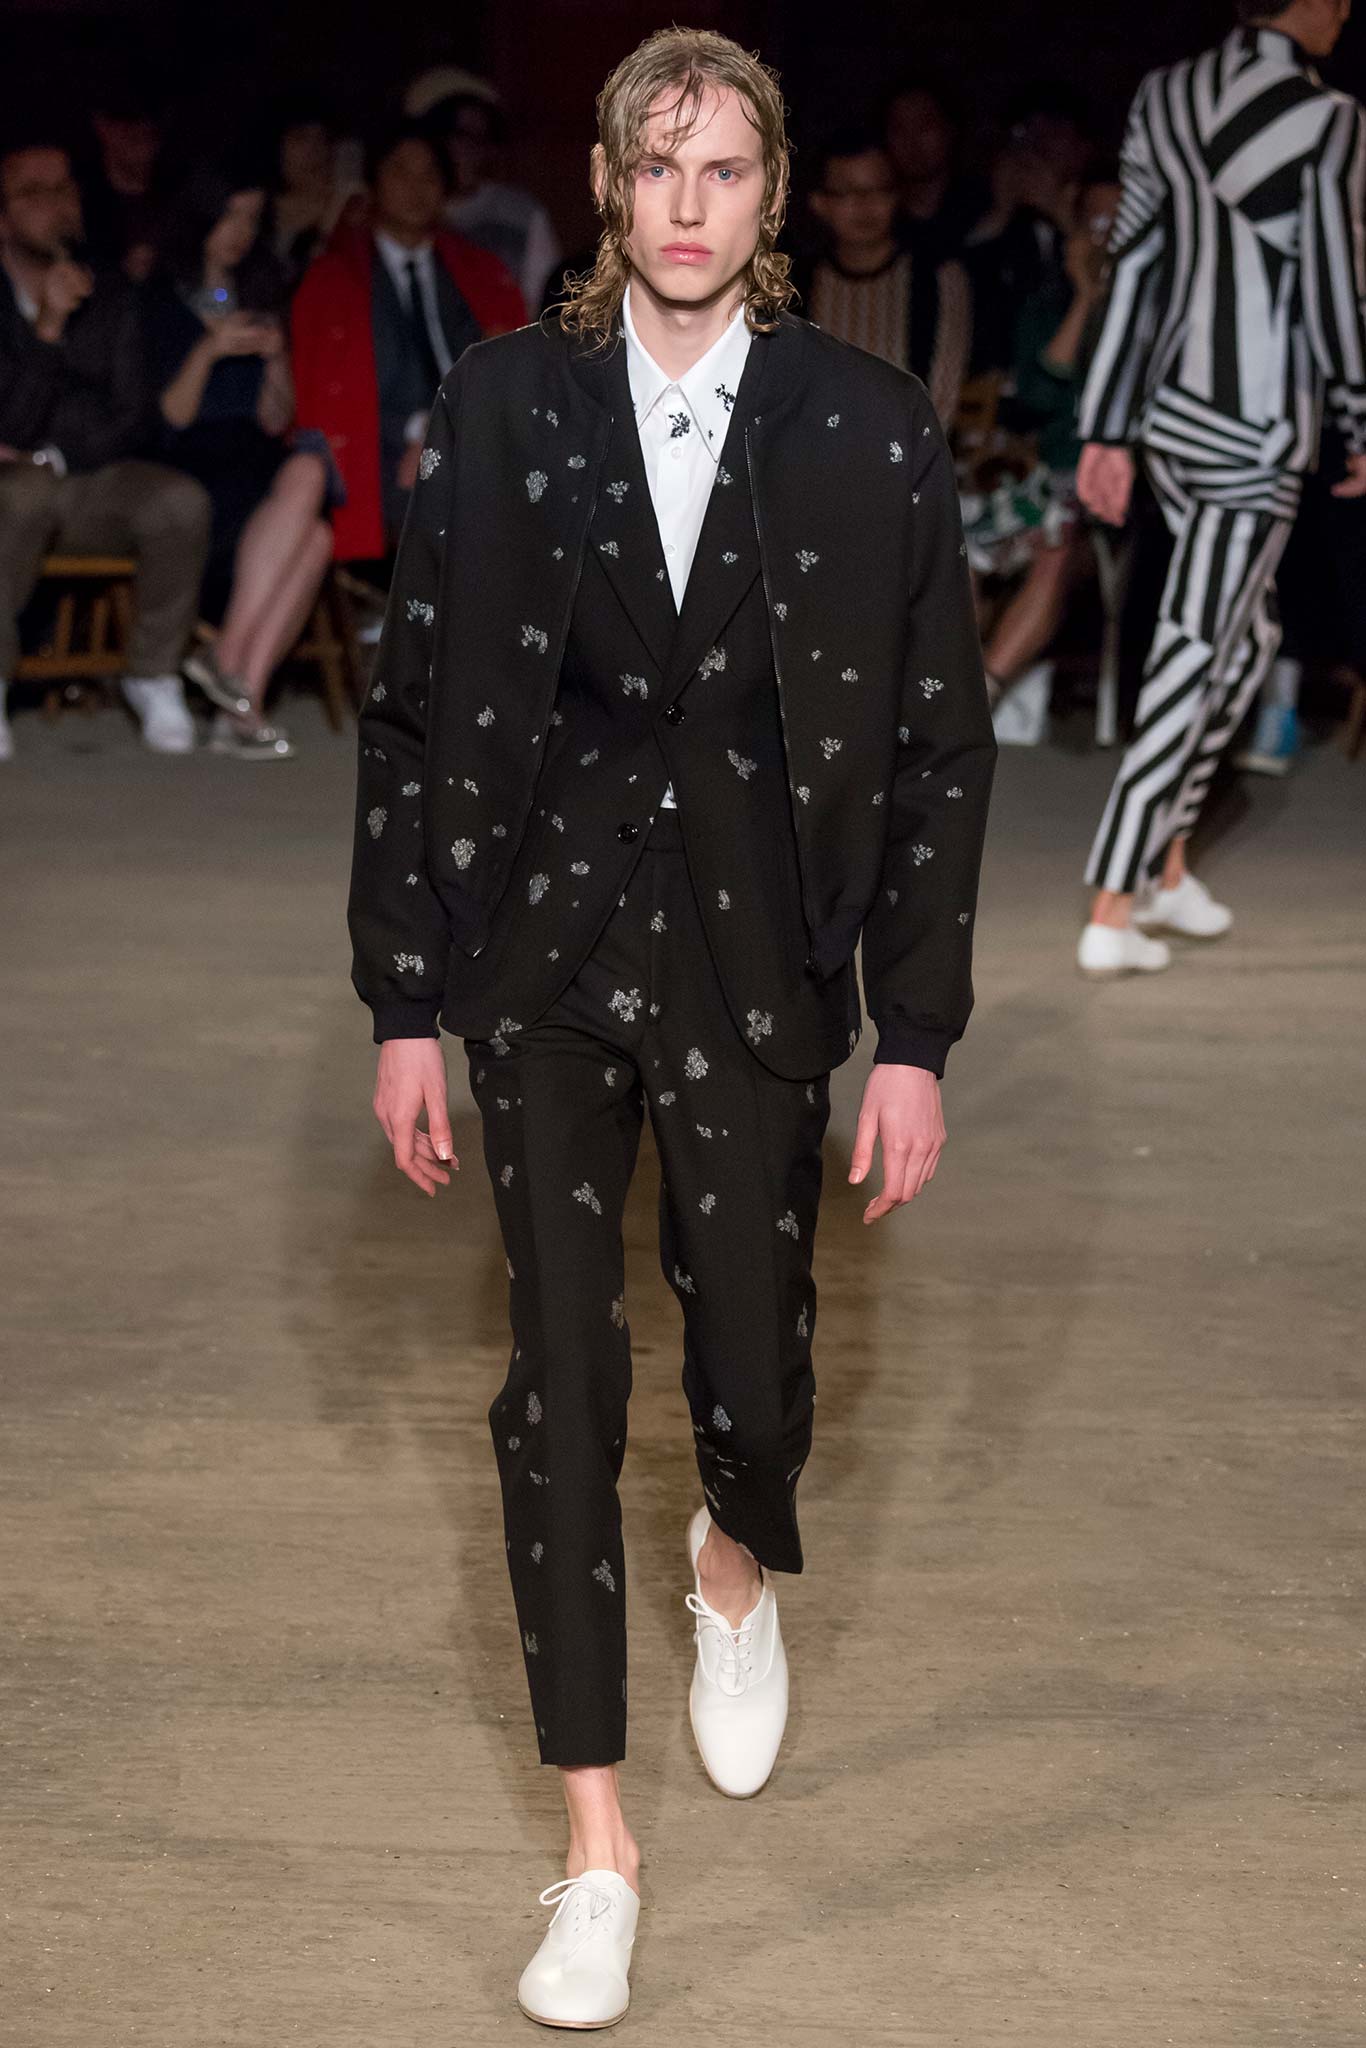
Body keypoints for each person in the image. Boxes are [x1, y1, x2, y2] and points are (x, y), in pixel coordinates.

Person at [347, 25, 994, 2028]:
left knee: (754, 1368)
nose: (688, 204)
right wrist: (402, 995)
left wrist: (913, 1031)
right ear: (610, 188)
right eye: (656, 165)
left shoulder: (865, 427)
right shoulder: (503, 403)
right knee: (555, 1380)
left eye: (724, 170)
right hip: (542, 958)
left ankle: (734, 1551)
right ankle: (598, 1852)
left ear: (771, 195)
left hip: (756, 956)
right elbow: (409, 706)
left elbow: (937, 744)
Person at [1075, 0, 1366, 977]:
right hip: (1257, 426)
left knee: (1245, 640)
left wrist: (1107, 424)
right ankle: (1111, 904)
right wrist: (1360, 416)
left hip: (1173, 414)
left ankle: (1165, 868)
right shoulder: (1325, 118)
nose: (1346, 11)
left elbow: (1132, 264)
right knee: (1198, 646)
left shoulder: (1167, 93)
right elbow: (1335, 287)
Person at [0, 138, 208, 760]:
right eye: (33, 193)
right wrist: (48, 329)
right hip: (10, 493)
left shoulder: (112, 293)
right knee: (23, 495)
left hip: (86, 478)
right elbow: (11, 423)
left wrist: (56, 456)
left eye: (64, 188)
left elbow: (132, 416)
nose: (56, 203)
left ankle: (153, 673)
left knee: (179, 500)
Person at [147, 162, 332, 760]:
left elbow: (277, 420)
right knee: (316, 533)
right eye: (229, 216)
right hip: (185, 468)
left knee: (310, 482)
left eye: (252, 219)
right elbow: (167, 420)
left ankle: (228, 671)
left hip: (250, 456)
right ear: (200, 217)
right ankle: (239, 700)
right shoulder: (157, 297)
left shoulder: (258, 294)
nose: (241, 232)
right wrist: (208, 350)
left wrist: (275, 359)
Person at [291, 120, 525, 568]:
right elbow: (320, 401)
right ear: (373, 183)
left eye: (429, 175)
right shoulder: (331, 280)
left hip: (470, 441)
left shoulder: (481, 274)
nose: (416, 187)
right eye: (401, 171)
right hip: (377, 456)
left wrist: (443, 435)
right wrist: (421, 436)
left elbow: (514, 379)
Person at [974, 171, 1121, 704]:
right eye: (1096, 222)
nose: (1107, 237)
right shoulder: (1048, 302)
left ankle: (982, 695)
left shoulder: (1156, 311)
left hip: (1113, 492)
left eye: (1120, 222)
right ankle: (942, 696)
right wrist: (1084, 298)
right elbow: (1038, 394)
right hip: (1040, 480)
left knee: (1055, 541)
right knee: (958, 545)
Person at [796, 128, 970, 428]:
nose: (865, 205)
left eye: (878, 190)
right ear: (820, 203)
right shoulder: (795, 285)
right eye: (847, 192)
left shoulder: (936, 277)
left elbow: (941, 398)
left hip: (910, 449)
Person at [405, 69, 564, 315]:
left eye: (481, 137)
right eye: (460, 135)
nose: (471, 150)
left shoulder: (521, 214)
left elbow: (548, 307)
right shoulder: (405, 214)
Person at [264, 101, 366, 294]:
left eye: (322, 139)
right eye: (300, 138)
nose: (313, 151)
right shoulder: (255, 212)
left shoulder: (350, 213)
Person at [883, 78, 989, 263]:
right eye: (899, 129)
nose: (912, 141)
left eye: (924, 126)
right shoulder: (879, 220)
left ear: (950, 130)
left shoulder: (986, 205)